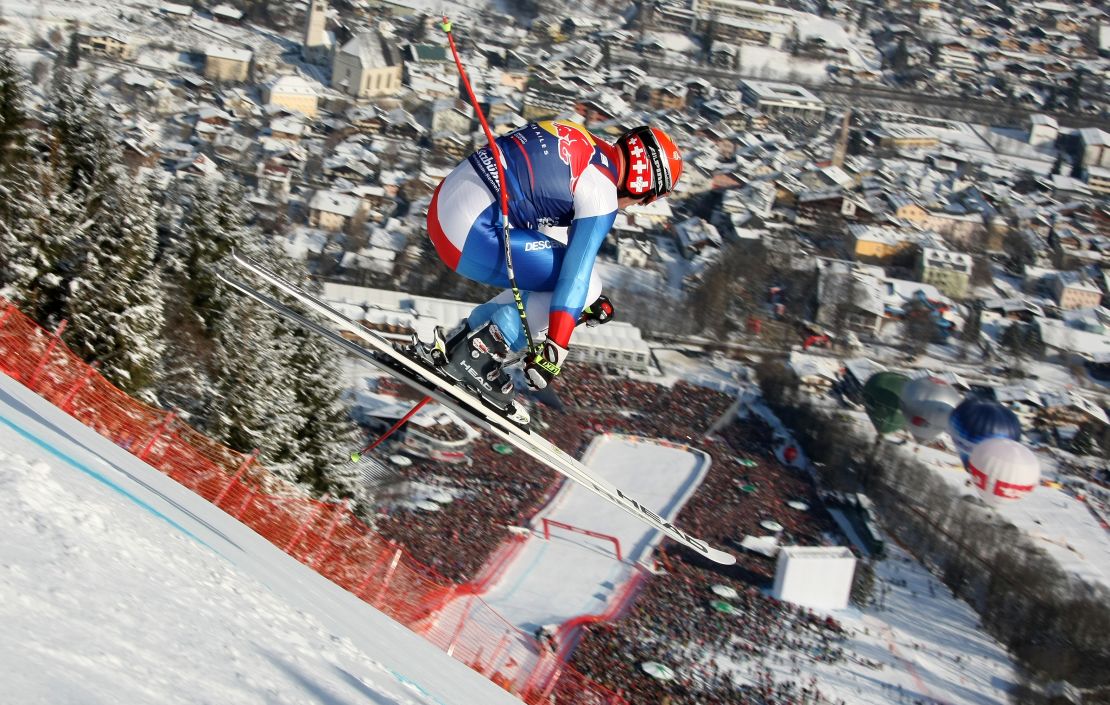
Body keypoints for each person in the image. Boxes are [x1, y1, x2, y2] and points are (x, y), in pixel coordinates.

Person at [409, 120, 683, 411]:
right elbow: (576, 277)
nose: (636, 205)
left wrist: (580, 306)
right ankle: (480, 354)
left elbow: (552, 241)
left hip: (445, 208)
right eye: (645, 200)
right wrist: (556, 349)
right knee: (588, 285)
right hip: (469, 235)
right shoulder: (601, 191)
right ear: (641, 184)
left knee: (583, 289)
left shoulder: (582, 139)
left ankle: (466, 342)